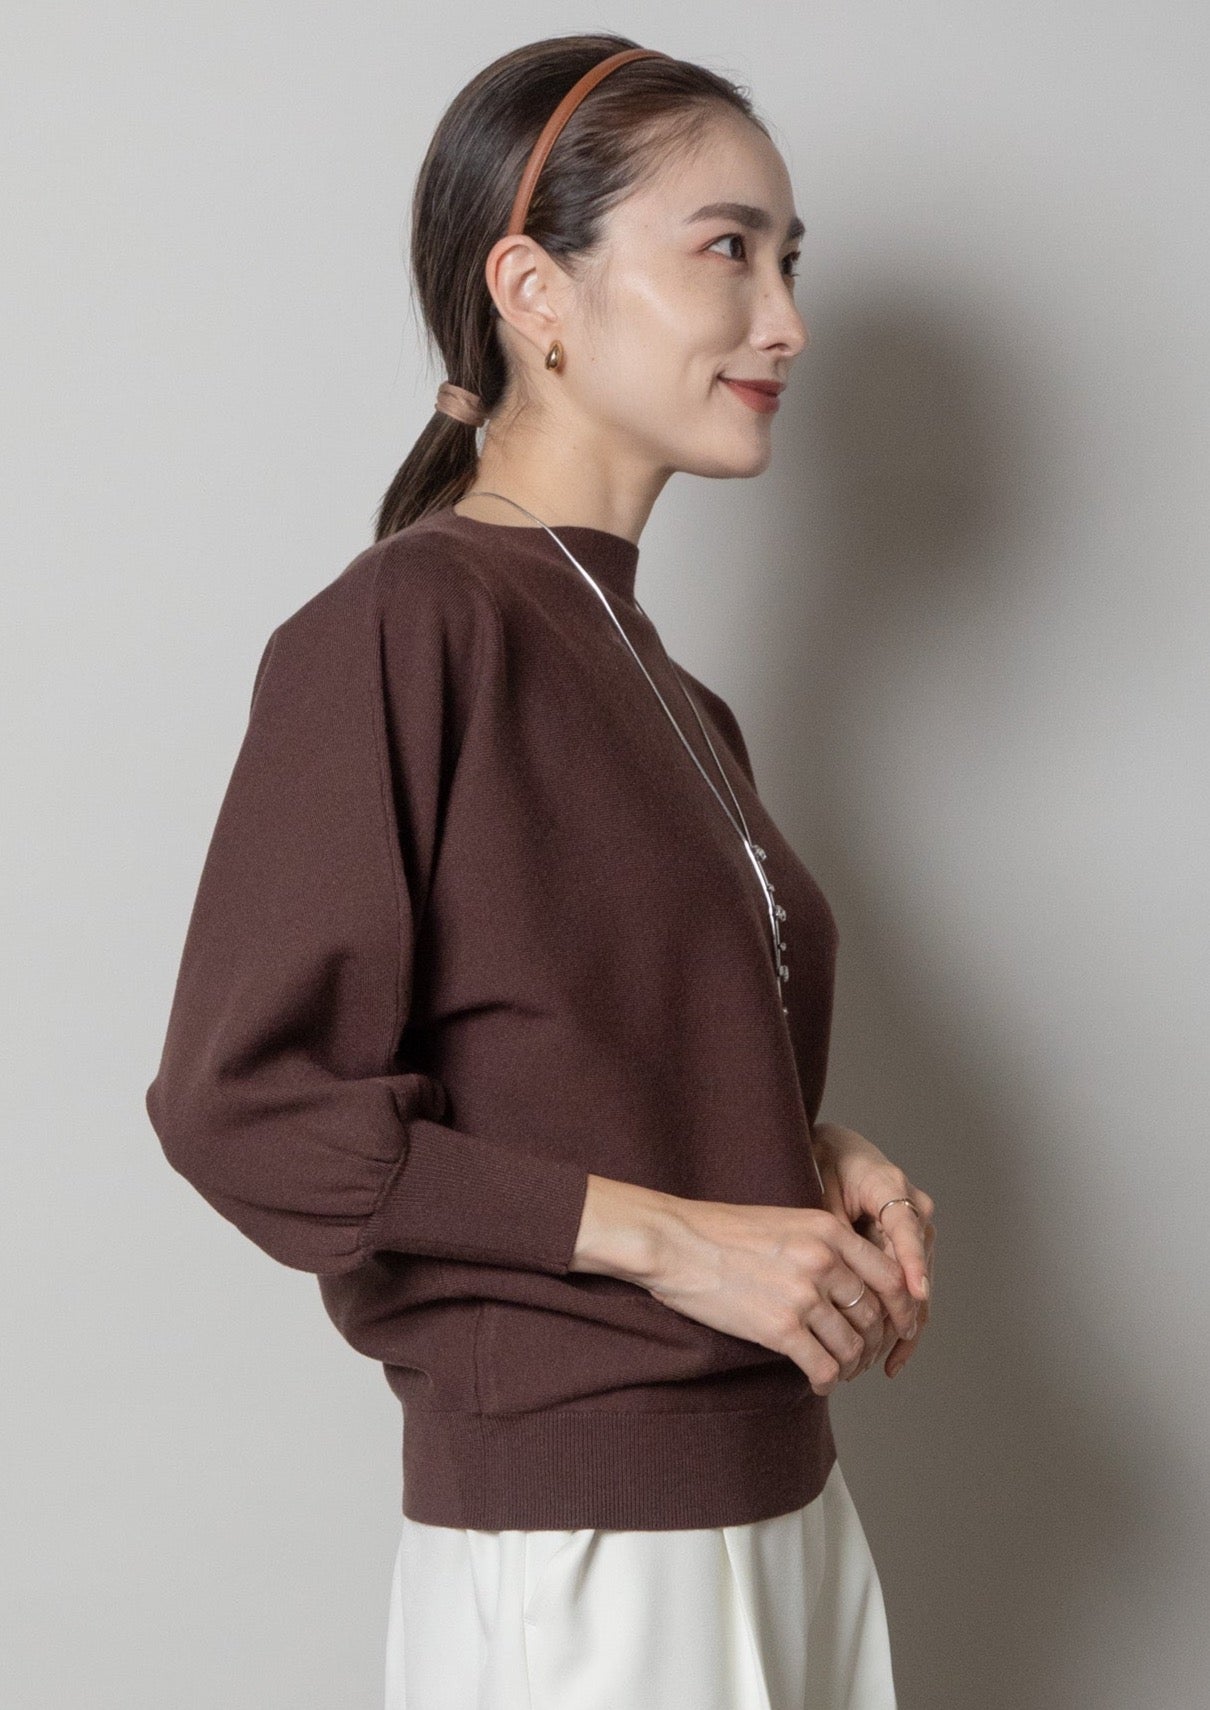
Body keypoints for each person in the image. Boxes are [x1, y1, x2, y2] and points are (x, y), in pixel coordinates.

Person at [145, 32, 936, 1710]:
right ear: (532, 290)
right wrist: (678, 1239)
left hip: (778, 1499)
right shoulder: (406, 626)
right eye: (725, 249)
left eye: (789, 261)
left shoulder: (676, 692)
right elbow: (246, 1105)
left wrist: (794, 1152)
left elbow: (566, 1050)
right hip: (593, 1541)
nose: (784, 320)